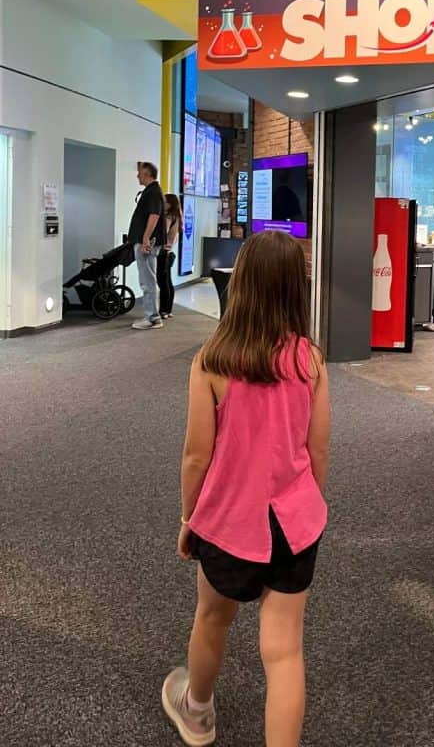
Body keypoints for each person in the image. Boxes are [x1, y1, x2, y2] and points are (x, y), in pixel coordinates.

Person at [162, 231, 330, 747]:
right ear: (293, 289)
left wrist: (191, 519)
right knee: (283, 653)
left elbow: (196, 456)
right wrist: (305, 510)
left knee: (213, 616)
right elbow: (317, 451)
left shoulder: (213, 360)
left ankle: (196, 712)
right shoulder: (309, 360)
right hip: (293, 524)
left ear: (242, 284)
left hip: (229, 523)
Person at [129, 161, 166, 331]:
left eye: (140, 173)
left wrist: (145, 238)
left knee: (147, 280)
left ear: (147, 174)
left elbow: (154, 215)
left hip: (147, 242)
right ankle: (152, 315)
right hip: (146, 240)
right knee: (147, 279)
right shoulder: (151, 192)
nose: (138, 176)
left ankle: (152, 317)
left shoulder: (153, 193)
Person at [158, 193, 182, 319]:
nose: (163, 203)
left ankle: (163, 310)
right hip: (169, 252)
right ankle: (168, 310)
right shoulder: (177, 217)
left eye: (164, 201)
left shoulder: (168, 216)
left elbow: (163, 233)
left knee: (162, 282)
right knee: (168, 281)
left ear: (170, 203)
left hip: (162, 252)